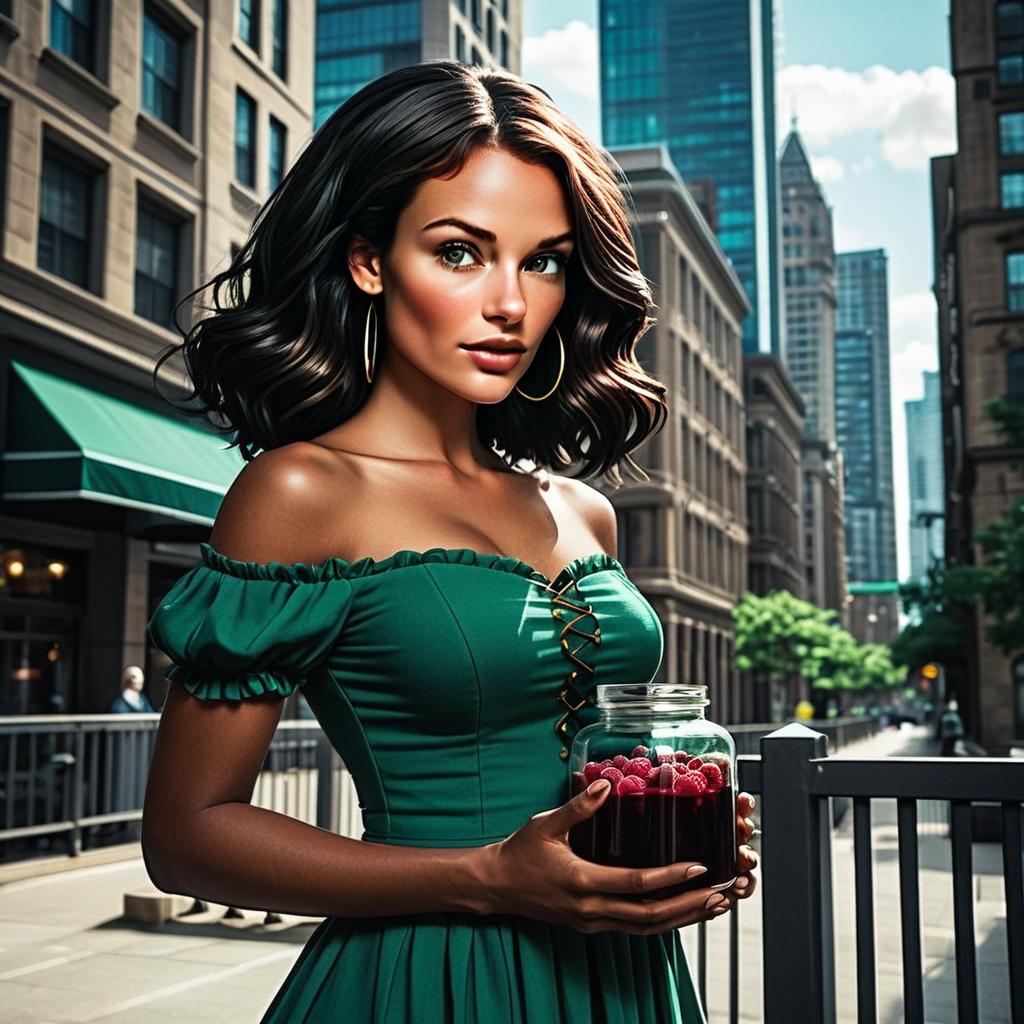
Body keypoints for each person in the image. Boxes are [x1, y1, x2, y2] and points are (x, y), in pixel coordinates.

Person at [142, 60, 759, 1023]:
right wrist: (488, 876)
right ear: (370, 259)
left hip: (625, 987)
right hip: (427, 979)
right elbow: (187, 835)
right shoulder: (301, 491)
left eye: (544, 260)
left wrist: (678, 820)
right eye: (461, 252)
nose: (510, 303)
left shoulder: (579, 511)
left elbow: (591, 766)